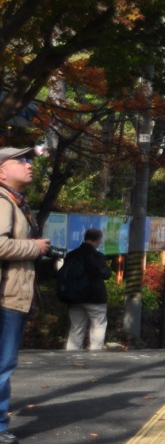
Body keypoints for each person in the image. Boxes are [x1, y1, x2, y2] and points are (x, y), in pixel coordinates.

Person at [0, 146, 51, 444]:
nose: (28, 164)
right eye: (20, 160)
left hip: (10, 294)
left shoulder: (16, 203)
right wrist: (35, 248)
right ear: (2, 170)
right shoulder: (3, 201)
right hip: (5, 296)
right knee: (3, 364)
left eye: (29, 159)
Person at [62, 228, 111, 351]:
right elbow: (106, 274)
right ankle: (94, 354)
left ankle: (71, 356)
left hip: (74, 297)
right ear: (98, 240)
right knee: (98, 326)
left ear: (85, 238)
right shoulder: (97, 256)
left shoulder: (71, 255)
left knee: (76, 328)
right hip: (95, 297)